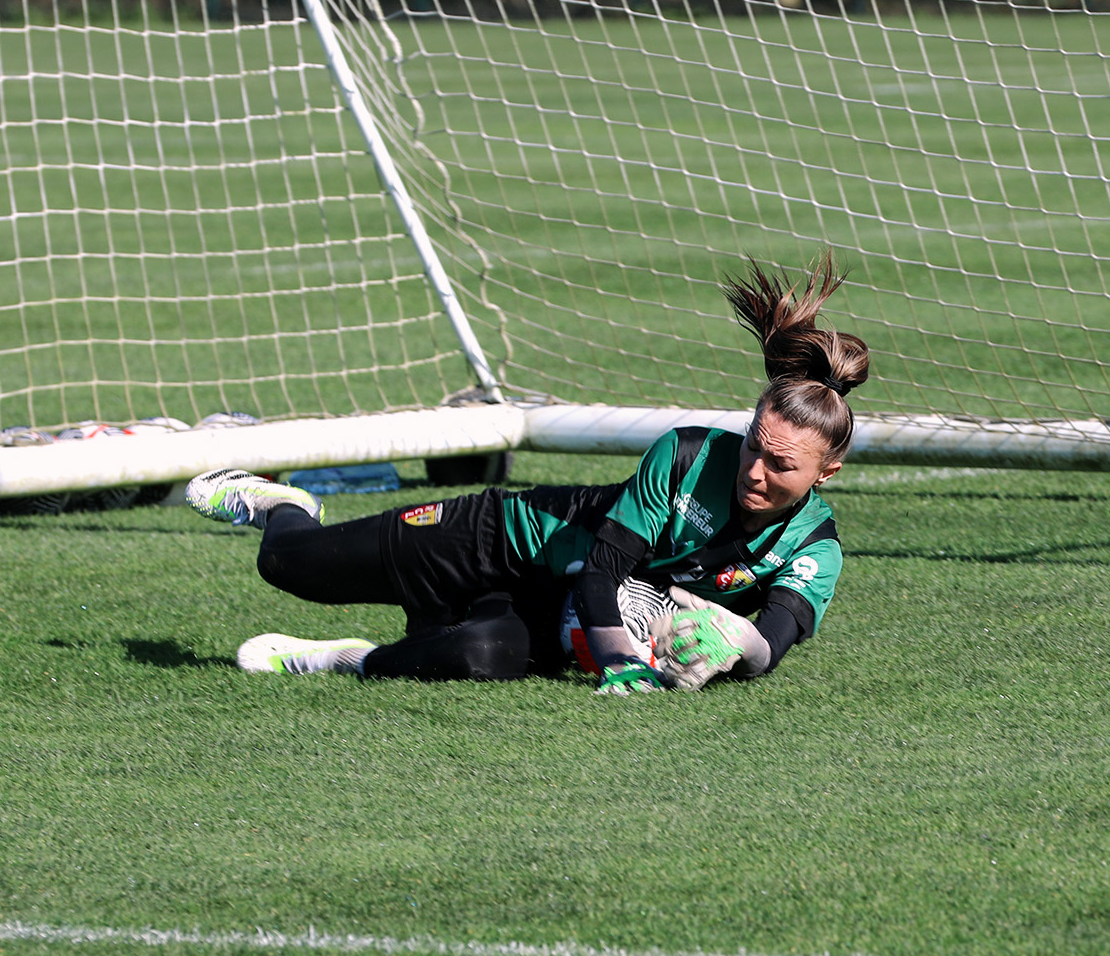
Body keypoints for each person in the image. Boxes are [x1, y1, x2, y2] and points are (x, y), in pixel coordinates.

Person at [184, 255, 869, 694]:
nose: (755, 469)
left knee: (475, 655)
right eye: (753, 446)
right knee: (289, 565)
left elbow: (773, 639)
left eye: (781, 464)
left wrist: (734, 639)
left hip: (556, 606)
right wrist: (621, 661)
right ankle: (282, 504)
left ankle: (337, 659)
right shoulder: (689, 454)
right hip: (501, 536)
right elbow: (604, 569)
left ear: (828, 471)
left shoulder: (815, 550)